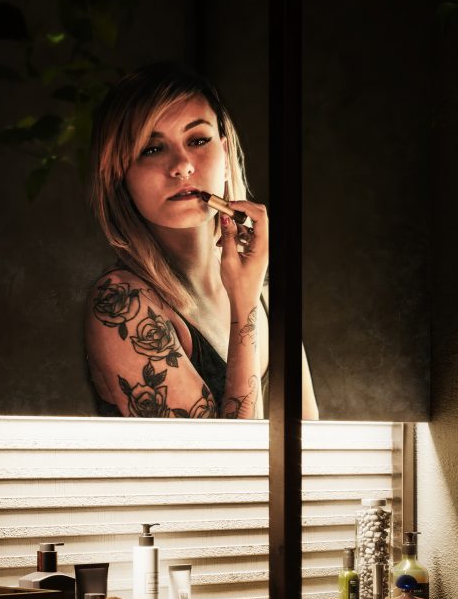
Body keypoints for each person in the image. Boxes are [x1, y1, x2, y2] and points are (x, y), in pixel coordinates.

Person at [84, 62, 318, 419]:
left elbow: (305, 449)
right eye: (151, 149)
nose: (182, 165)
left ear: (225, 157)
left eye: (197, 140)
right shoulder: (122, 303)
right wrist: (244, 308)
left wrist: (249, 296)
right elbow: (219, 468)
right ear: (120, 175)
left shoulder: (267, 297)